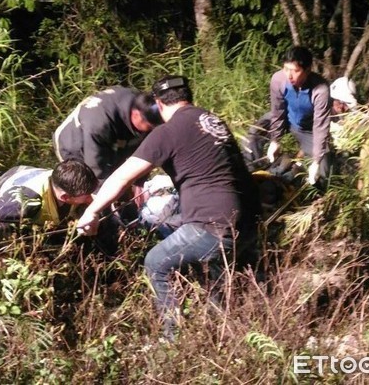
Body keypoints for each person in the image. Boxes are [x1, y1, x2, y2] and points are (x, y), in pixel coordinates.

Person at [76, 75, 261, 340]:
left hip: (211, 225)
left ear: (159, 105)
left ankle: (172, 339)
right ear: (189, 97)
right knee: (210, 276)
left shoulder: (168, 131)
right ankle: (218, 335)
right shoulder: (213, 121)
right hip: (246, 224)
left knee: (156, 262)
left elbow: (121, 176)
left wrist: (91, 212)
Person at [53, 86, 163, 184]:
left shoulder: (143, 103)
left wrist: (139, 182)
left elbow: (144, 151)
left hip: (112, 140)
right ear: (136, 115)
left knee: (120, 182)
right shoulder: (99, 124)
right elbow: (96, 170)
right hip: (73, 145)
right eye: (149, 127)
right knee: (86, 184)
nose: (151, 130)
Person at [0, 159, 97, 235]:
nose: (89, 199)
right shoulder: (22, 203)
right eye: (85, 197)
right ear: (65, 197)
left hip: (24, 174)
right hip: (6, 194)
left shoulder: (65, 182)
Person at [267, 46, 331, 186]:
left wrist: (316, 161)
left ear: (307, 70)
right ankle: (248, 165)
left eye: (295, 71)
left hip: (307, 129)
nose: (289, 75)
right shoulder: (278, 80)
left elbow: (320, 126)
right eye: (286, 69)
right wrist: (275, 140)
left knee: (324, 170)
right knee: (256, 130)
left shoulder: (320, 89)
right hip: (286, 119)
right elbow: (277, 111)